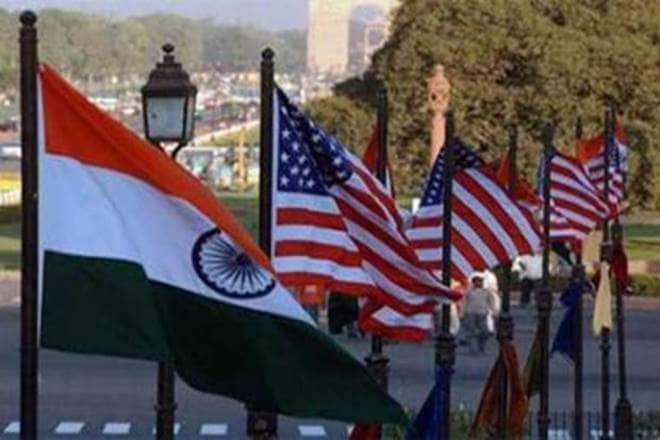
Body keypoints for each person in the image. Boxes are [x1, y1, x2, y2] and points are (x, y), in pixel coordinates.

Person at [461, 273, 498, 354]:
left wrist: (494, 312)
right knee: (471, 331)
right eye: (476, 281)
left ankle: (482, 346)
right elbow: (464, 303)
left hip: (482, 313)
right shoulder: (469, 292)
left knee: (485, 332)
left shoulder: (486, 292)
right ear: (473, 283)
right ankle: (472, 348)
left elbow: (491, 302)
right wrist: (462, 314)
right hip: (470, 312)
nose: (478, 283)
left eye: (480, 281)